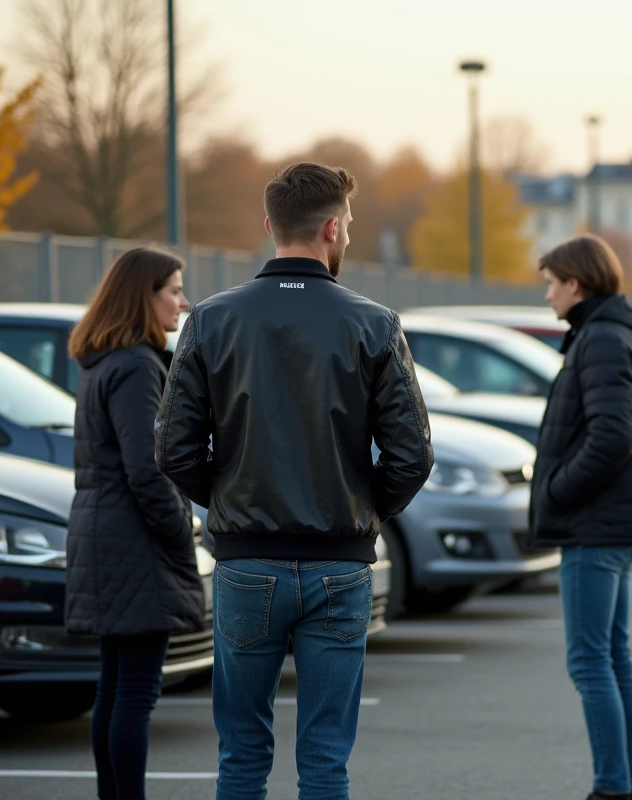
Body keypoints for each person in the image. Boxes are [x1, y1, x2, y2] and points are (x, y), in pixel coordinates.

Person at [155, 162, 434, 800]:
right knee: (326, 761)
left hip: (245, 561)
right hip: (341, 563)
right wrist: (363, 508)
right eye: (350, 226)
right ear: (332, 228)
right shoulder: (375, 323)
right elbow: (412, 453)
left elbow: (172, 447)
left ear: (268, 226)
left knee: (243, 756)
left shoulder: (210, 320)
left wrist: (228, 498)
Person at [65, 246, 203, 800]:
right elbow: (146, 470)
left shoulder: (106, 360)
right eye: (172, 289)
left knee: (116, 685)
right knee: (137, 691)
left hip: (105, 534)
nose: (183, 301)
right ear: (141, 296)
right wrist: (179, 533)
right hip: (134, 542)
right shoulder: (137, 365)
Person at [531, 235, 632, 800]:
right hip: (612, 523)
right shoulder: (606, 333)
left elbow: (611, 436)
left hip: (595, 526)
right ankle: (625, 782)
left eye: (551, 284)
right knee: (613, 656)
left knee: (591, 661)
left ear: (575, 283)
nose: (548, 294)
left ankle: (612, 787)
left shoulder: (602, 338)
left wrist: (558, 489)